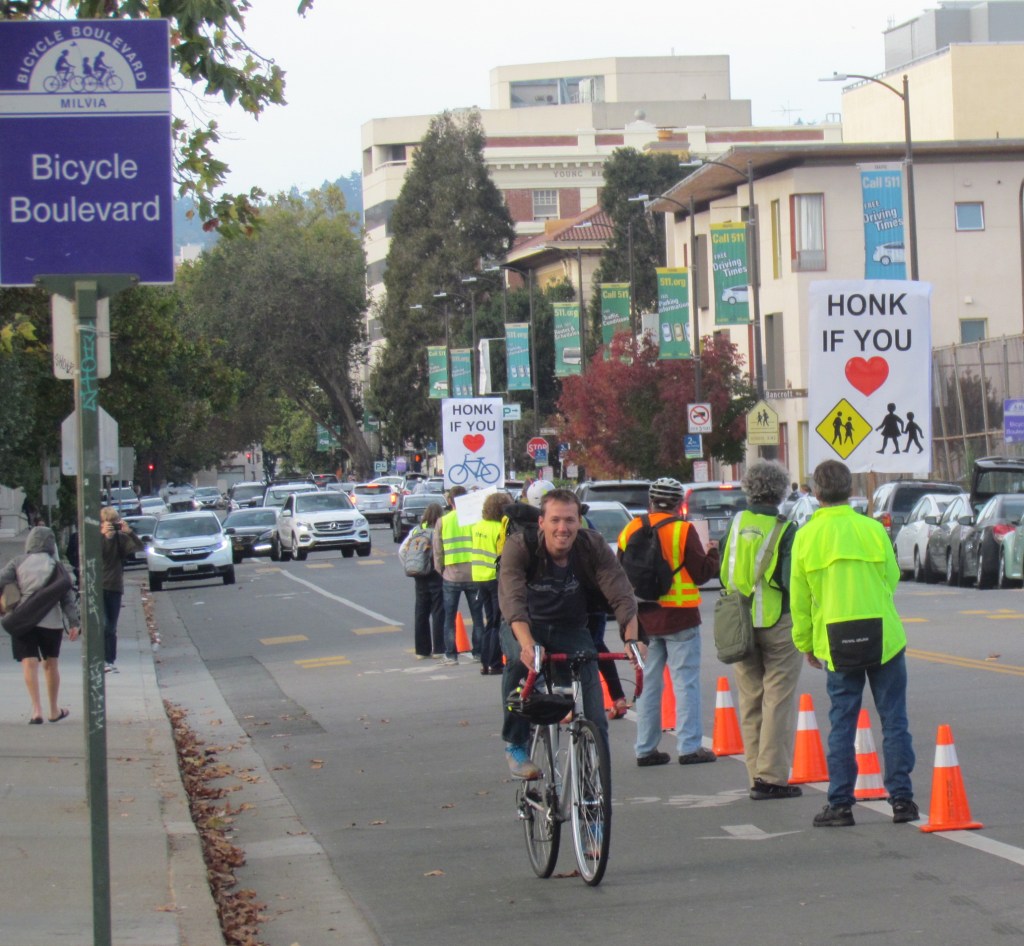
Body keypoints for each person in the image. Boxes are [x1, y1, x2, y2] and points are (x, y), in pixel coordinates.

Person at [790, 460, 918, 827]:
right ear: (849, 491)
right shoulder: (872, 529)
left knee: (842, 721)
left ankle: (840, 803)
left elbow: (800, 601)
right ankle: (902, 801)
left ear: (816, 493)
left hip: (835, 638)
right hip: (884, 636)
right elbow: (891, 578)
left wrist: (806, 643)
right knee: (894, 719)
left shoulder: (806, 537)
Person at [498, 488, 640, 779]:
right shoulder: (519, 546)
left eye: (570, 520)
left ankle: (595, 786)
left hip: (572, 627)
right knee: (517, 664)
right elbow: (512, 601)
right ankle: (516, 744)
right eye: (555, 520)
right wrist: (527, 645)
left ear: (579, 522)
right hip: (526, 625)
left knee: (595, 712)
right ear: (542, 522)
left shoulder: (591, 545)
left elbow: (621, 592)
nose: (563, 528)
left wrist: (632, 638)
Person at [617, 477, 720, 767]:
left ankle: (645, 749)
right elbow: (701, 574)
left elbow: (620, 573)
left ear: (650, 501)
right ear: (678, 503)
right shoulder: (683, 530)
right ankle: (689, 747)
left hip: (645, 617)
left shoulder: (631, 528)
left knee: (649, 685)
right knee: (685, 682)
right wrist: (712, 552)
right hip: (680, 617)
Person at [721, 460, 803, 800]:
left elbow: (723, 568)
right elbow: (789, 580)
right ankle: (772, 777)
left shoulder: (736, 522)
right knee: (778, 699)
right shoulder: (787, 527)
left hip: (739, 621)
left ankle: (755, 774)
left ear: (749, 489)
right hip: (778, 620)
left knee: (751, 699)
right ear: (781, 491)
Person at [0, 526, 80, 723]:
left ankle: (36, 710)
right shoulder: (58, 567)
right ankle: (54, 710)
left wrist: (10, 598)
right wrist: (74, 623)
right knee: (51, 664)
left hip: (23, 619)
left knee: (29, 662)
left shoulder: (17, 562)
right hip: (51, 623)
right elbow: (67, 598)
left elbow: (2, 580)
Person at [432, 485, 484, 666]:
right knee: (478, 616)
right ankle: (478, 652)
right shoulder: (476, 521)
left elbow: (437, 551)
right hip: (474, 574)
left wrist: (440, 570)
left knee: (449, 617)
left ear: (449, 501)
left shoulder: (443, 521)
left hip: (451, 576)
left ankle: (451, 654)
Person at [470, 492, 511, 675]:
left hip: (479, 577)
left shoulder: (477, 526)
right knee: (496, 622)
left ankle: (484, 661)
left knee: (489, 621)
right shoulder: (498, 529)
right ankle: (495, 662)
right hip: (494, 578)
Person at [100, 506, 143, 674]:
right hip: (99, 586)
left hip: (115, 586)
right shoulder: (97, 539)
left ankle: (110, 659)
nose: (111, 526)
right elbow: (95, 555)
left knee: (111, 626)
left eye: (114, 522)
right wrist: (104, 536)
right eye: (108, 522)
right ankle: (102, 659)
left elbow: (139, 548)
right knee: (103, 625)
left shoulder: (121, 539)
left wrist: (129, 532)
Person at [407, 503, 445, 659]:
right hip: (435, 573)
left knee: (421, 612)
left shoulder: (416, 531)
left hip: (419, 574)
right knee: (438, 611)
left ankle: (422, 650)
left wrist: (413, 566)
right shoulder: (439, 530)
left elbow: (403, 551)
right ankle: (439, 648)